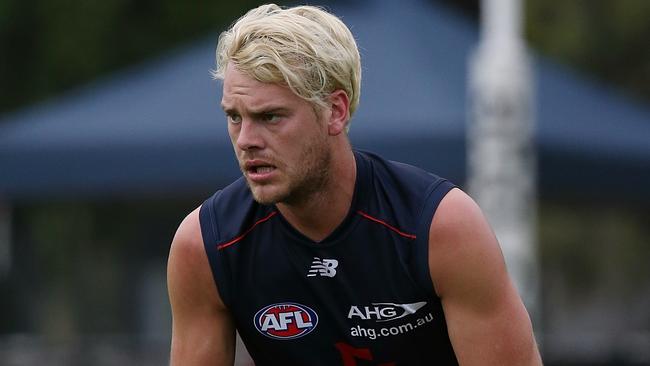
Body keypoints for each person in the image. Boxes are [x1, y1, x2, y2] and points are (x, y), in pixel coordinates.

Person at [167, 3, 543, 365]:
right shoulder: (204, 244)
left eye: (270, 116)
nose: (247, 139)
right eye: (234, 117)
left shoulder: (441, 227)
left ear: (336, 111)